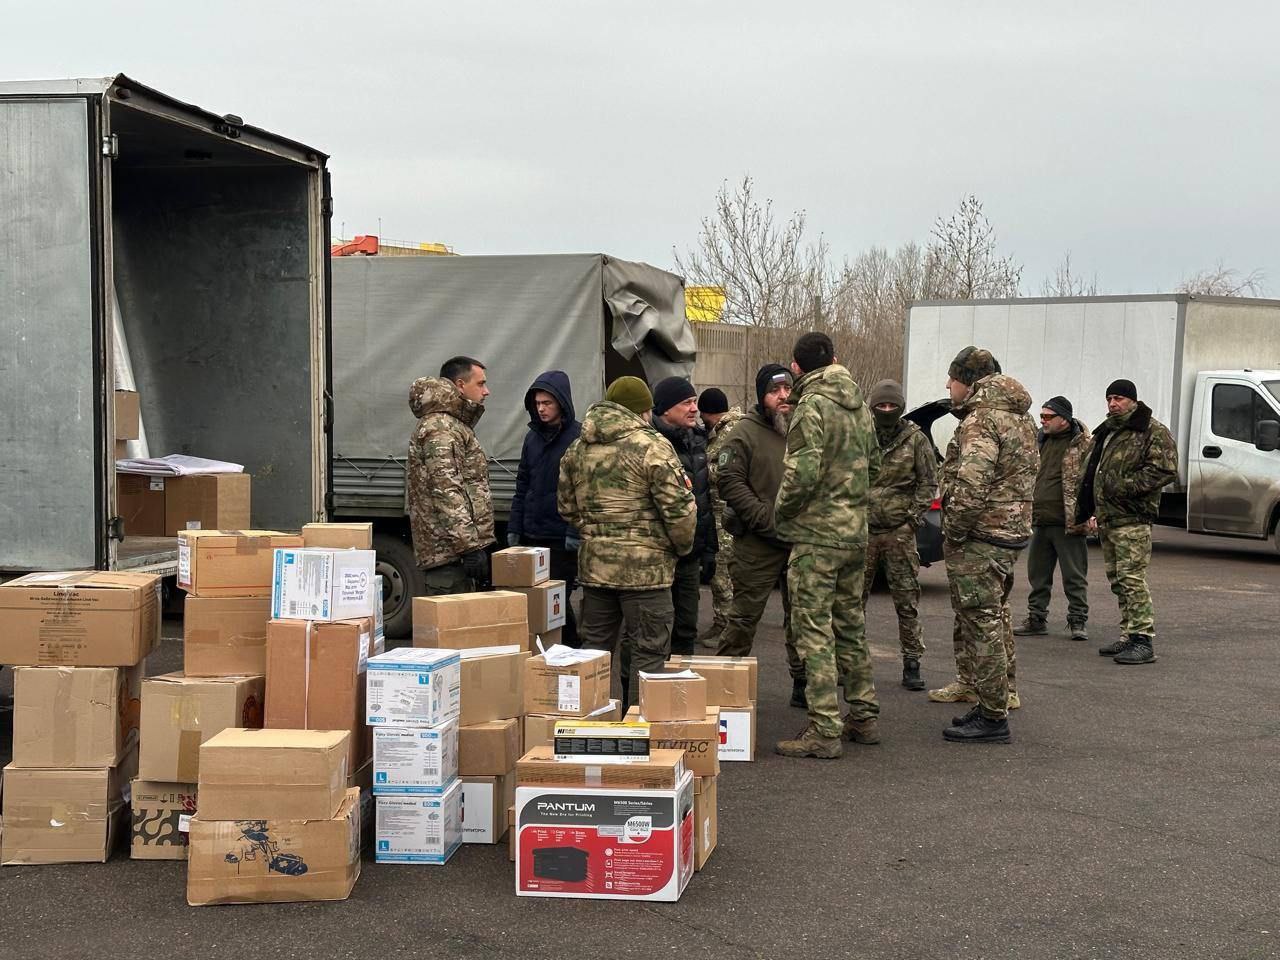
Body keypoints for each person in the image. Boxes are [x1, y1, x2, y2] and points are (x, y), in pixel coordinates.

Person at [772, 333, 881, 760]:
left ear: (797, 368)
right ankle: (865, 716)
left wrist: (783, 514)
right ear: (835, 359)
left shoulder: (810, 406)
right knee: (850, 626)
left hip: (817, 537)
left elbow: (802, 472)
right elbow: (874, 465)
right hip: (855, 533)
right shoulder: (862, 408)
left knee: (813, 631)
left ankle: (823, 728)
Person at [557, 376, 696, 705]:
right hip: (646, 575)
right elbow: (679, 511)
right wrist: (677, 547)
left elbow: (566, 507)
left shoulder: (579, 447)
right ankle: (639, 736)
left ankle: (590, 733)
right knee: (648, 658)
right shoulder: (653, 446)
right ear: (644, 410)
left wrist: (597, 533)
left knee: (594, 658)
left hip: (596, 572)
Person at [934, 346, 1038, 744]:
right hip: (1009, 532)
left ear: (970, 381)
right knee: (995, 616)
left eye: (953, 378)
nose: (948, 385)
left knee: (982, 623)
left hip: (980, 536)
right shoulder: (1020, 418)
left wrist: (954, 530)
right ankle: (993, 699)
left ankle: (993, 717)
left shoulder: (981, 420)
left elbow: (972, 482)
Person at [715, 364, 808, 707]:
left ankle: (803, 683)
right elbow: (730, 481)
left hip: (798, 539)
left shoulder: (803, 426)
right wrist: (761, 518)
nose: (783, 396)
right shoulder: (744, 433)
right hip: (758, 542)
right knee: (742, 618)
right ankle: (724, 684)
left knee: (800, 618)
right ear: (761, 395)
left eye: (787, 389)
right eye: (775, 390)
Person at [1076, 378, 1177, 665]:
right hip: (1109, 517)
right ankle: (1128, 635)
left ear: (1133, 400)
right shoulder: (1109, 430)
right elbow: (1093, 470)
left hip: (1133, 517)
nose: (1112, 404)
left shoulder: (1152, 431)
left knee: (1133, 580)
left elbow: (1165, 469)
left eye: (1119, 398)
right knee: (1119, 581)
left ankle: (1143, 640)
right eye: (1109, 398)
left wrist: (1124, 486)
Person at [862, 379, 937, 692]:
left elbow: (929, 483)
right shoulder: (861, 436)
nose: (887, 410)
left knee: (906, 602)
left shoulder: (915, 439)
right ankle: (850, 664)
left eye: (892, 406)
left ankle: (912, 662)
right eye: (881, 406)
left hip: (899, 533)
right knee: (852, 603)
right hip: (863, 532)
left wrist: (912, 520)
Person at [407, 356, 495, 594]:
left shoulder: (453, 424)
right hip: (448, 556)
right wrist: (468, 547)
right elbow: (446, 490)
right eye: (480, 384)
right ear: (460, 385)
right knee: (453, 629)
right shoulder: (441, 427)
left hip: (454, 554)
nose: (486, 391)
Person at [509, 371, 583, 646]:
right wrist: (516, 527)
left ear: (562, 403)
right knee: (536, 600)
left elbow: (582, 490)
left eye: (547, 403)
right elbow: (523, 484)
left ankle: (572, 648)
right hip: (533, 535)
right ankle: (549, 650)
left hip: (561, 537)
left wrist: (574, 531)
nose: (541, 409)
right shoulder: (532, 438)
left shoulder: (578, 437)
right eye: (537, 403)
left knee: (557, 600)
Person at [1014, 396, 1091, 641]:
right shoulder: (1039, 441)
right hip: (1039, 519)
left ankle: (1078, 620)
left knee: (1074, 576)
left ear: (1064, 419)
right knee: (1037, 574)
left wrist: (1092, 513)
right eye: (1042, 417)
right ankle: (1037, 618)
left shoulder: (1082, 444)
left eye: (1048, 417)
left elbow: (1093, 482)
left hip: (1068, 521)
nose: (1043, 421)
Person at [650, 377, 716, 658]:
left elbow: (706, 499)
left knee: (687, 627)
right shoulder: (651, 444)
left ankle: (680, 687)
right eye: (686, 403)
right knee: (654, 630)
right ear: (665, 409)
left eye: (694, 402)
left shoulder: (699, 441)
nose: (694, 409)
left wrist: (709, 548)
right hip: (659, 555)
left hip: (691, 554)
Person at [698, 387, 743, 650]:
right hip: (719, 512)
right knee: (719, 571)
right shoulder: (726, 430)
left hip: (725, 514)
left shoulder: (729, 432)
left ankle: (726, 626)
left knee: (722, 572)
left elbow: (727, 470)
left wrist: (700, 466)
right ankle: (721, 620)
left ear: (709, 413)